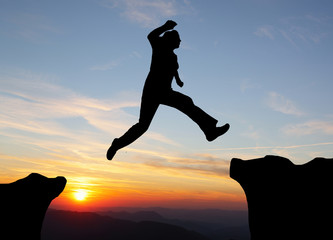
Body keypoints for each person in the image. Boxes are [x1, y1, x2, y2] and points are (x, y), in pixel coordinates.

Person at [107, 20, 229, 160]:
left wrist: (178, 80)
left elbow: (174, 70)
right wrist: (165, 27)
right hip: (153, 90)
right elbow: (151, 36)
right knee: (143, 125)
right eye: (178, 39)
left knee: (186, 102)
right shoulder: (159, 46)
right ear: (171, 39)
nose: (181, 42)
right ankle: (117, 144)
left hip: (165, 91)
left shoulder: (173, 56)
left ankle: (210, 130)